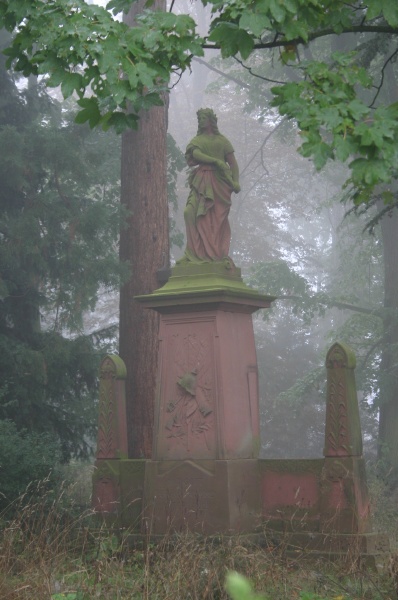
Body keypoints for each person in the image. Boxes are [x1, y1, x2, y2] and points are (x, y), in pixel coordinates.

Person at [178, 108, 240, 264]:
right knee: (189, 213)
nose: (201, 120)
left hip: (219, 184)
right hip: (202, 181)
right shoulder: (197, 141)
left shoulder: (222, 141)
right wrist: (216, 161)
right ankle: (193, 253)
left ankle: (214, 255)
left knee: (214, 221)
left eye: (204, 117)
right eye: (199, 118)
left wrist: (236, 181)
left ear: (211, 120)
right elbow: (196, 155)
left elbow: (233, 164)